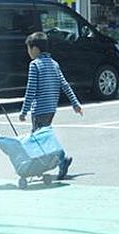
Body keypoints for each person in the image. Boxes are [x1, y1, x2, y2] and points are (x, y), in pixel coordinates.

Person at [19, 32, 83, 180]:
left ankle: (61, 158)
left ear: (35, 49)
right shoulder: (54, 64)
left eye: (29, 49)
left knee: (39, 139)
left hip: (39, 110)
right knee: (43, 137)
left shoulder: (35, 65)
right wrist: (75, 103)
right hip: (51, 108)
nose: (28, 52)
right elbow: (64, 85)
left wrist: (24, 111)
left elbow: (31, 90)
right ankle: (43, 165)